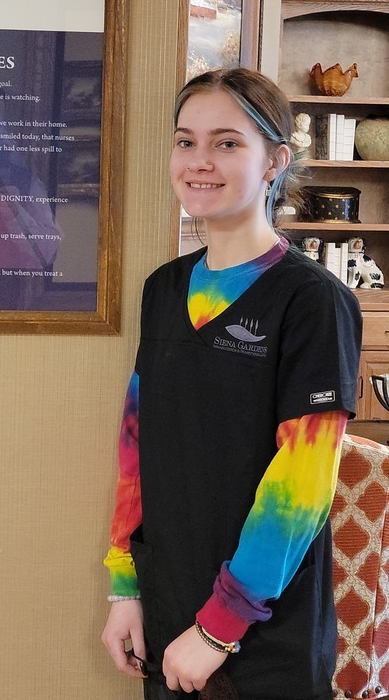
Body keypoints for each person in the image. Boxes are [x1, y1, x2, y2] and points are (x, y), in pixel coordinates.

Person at [101, 68, 362, 700]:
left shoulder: (312, 301)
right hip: (168, 602)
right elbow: (138, 445)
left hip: (263, 626)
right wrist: (125, 585)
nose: (199, 161)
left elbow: (302, 483)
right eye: (185, 141)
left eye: (226, 142)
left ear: (275, 161)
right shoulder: (164, 289)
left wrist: (220, 627)